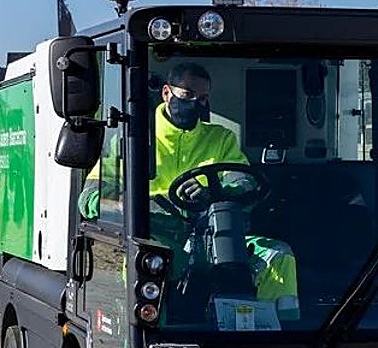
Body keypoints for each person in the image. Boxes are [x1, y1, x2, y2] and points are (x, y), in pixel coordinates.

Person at [86, 61, 298, 318]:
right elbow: (91, 197)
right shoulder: (131, 138)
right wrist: (147, 205)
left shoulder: (221, 139)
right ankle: (150, 339)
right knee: (145, 261)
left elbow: (244, 183)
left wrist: (214, 194)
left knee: (278, 256)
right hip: (157, 236)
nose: (196, 103)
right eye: (188, 95)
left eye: (203, 98)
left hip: (214, 236)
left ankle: (275, 343)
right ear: (167, 93)